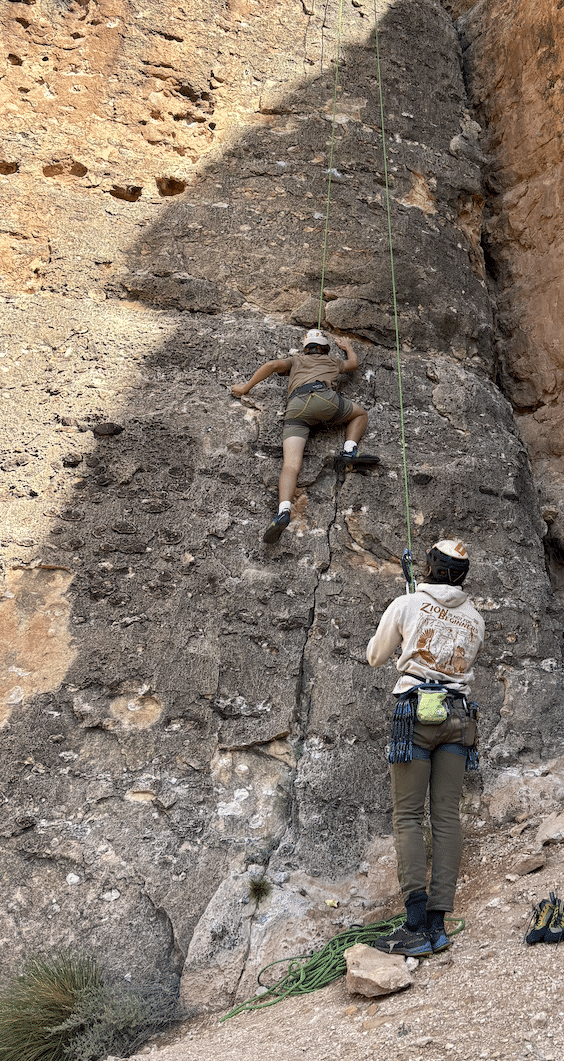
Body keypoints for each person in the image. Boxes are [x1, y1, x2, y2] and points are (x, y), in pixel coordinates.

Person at [366, 538, 484, 957]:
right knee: (447, 817)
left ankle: (414, 924)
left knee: (409, 816)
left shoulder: (407, 603)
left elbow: (375, 656)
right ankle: (437, 926)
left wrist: (410, 601)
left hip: (415, 715)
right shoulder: (476, 618)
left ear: (429, 567)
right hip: (458, 716)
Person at [230, 328, 378, 543]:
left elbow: (271, 366)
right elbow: (353, 364)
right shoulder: (333, 361)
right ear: (325, 348)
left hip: (297, 407)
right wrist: (348, 348)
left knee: (290, 465)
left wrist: (245, 388)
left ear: (305, 347)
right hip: (325, 400)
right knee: (360, 414)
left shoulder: (296, 360)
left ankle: (283, 512)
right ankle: (349, 450)